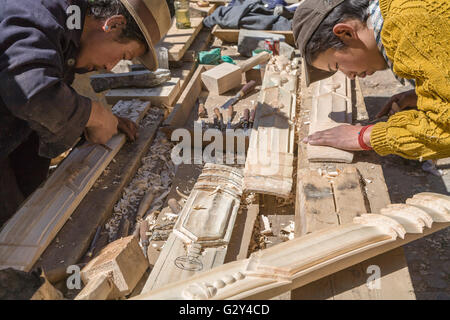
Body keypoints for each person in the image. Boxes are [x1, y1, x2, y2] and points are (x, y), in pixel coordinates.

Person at [0, 0, 173, 225]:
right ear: (113, 25)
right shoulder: (40, 16)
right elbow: (32, 93)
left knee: (25, 214)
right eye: (122, 56)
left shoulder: (70, 24)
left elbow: (43, 93)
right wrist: (94, 114)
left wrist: (86, 121)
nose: (110, 67)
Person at [292, 0, 449, 159]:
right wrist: (426, 94)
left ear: (346, 32)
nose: (350, 76)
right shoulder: (401, 11)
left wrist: (364, 136)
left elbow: (444, 130)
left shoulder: (407, 24)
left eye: (337, 65)